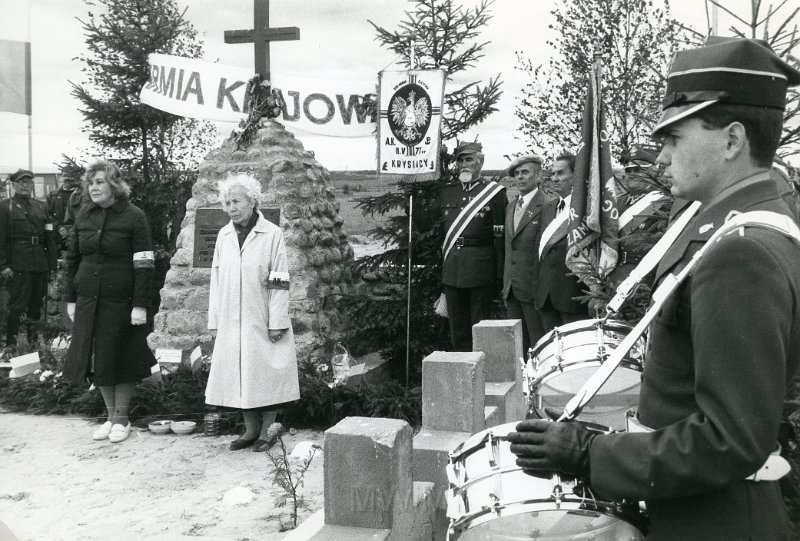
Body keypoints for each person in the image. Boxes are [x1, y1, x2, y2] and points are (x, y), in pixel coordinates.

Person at [509, 37, 800, 540]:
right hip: (701, 507)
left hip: (716, 522)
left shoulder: (741, 250)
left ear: (732, 140)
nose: (661, 156)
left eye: (675, 138)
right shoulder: (738, 224)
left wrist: (587, 454)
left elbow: (731, 439)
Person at [62, 160, 156, 444]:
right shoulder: (85, 215)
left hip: (122, 300)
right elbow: (72, 259)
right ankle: (110, 417)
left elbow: (145, 263)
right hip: (89, 298)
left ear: (114, 185)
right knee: (98, 357)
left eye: (100, 182)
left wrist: (140, 304)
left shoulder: (134, 216)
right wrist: (70, 298)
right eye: (91, 183)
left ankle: (121, 419)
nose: (94, 188)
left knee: (121, 355)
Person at [206, 172, 299, 452]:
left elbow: (279, 279)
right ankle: (250, 431)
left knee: (265, 373)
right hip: (232, 318)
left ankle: (268, 432)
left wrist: (277, 320)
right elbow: (216, 279)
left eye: (236, 201)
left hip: (262, 315)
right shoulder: (223, 235)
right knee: (240, 373)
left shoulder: (272, 234)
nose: (230, 208)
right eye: (227, 203)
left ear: (252, 201)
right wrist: (215, 320)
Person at [437, 142, 507, 351]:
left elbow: (500, 239)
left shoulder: (494, 193)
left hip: (480, 271)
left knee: (480, 328)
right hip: (452, 270)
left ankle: (481, 375)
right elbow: (442, 235)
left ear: (480, 161)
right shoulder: (447, 193)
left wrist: (499, 276)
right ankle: (462, 375)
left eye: (469, 159)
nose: (464, 164)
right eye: (461, 160)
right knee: (457, 329)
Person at [501, 154, 554, 353]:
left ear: (538, 176)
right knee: (517, 349)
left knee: (538, 346)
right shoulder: (511, 206)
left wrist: (538, 288)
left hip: (533, 291)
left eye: (525, 172)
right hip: (512, 290)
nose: (520, 177)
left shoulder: (548, 205)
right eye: (517, 174)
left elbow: (545, 253)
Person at [0, 169, 58, 346]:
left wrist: (52, 265)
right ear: (14, 185)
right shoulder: (4, 207)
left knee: (36, 306)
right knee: (16, 307)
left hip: (39, 263)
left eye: (29, 182)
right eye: (22, 182)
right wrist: (3, 265)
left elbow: (50, 238)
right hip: (18, 264)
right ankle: (11, 345)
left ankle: (33, 345)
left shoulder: (41, 207)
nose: (26, 185)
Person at [534, 153, 588, 332]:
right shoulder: (548, 208)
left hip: (573, 297)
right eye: (552, 174)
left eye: (560, 173)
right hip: (546, 297)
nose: (554, 179)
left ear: (577, 175)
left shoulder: (587, 209)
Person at [47, 171, 83, 249]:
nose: (66, 178)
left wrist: (71, 230)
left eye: (69, 176)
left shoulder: (83, 195)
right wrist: (59, 227)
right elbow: (48, 214)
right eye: (64, 175)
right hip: (58, 236)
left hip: (78, 235)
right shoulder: (53, 195)